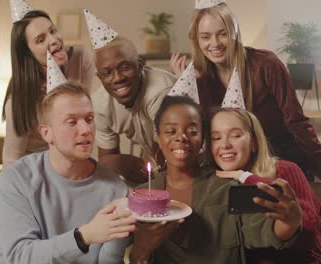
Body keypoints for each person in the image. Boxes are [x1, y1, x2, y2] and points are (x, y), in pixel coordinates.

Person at [170, 1, 321, 191]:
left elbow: (297, 121)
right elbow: (201, 130)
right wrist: (189, 86)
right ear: (196, 39)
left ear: (235, 33)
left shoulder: (265, 64)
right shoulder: (200, 77)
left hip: (279, 157)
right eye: (205, 37)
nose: (215, 43)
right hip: (234, 160)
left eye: (222, 34)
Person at [129, 96, 302, 263]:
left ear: (202, 140)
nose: (181, 137)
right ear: (158, 138)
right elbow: (133, 257)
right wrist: (141, 249)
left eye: (192, 131)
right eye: (170, 131)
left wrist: (289, 221)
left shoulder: (228, 187)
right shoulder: (141, 197)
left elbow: (263, 231)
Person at [0, 81, 136, 264]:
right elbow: (20, 256)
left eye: (89, 119)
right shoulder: (16, 178)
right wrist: (85, 235)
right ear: (46, 133)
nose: (85, 130)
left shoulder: (115, 190)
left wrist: (122, 232)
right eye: (72, 122)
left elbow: (107, 261)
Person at [210, 107, 321, 264]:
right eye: (216, 138)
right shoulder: (212, 185)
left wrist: (246, 177)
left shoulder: (284, 169)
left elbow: (307, 229)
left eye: (235, 135)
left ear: (254, 143)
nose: (225, 145)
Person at [2, 9, 95, 166]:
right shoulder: (17, 102)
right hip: (32, 170)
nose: (53, 40)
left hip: (69, 163)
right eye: (40, 40)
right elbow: (12, 158)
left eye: (53, 31)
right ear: (28, 55)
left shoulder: (80, 59)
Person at [92, 36, 176, 185]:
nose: (117, 78)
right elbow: (105, 160)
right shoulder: (100, 104)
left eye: (125, 67)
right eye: (107, 73)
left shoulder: (160, 91)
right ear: (99, 77)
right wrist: (123, 162)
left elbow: (169, 155)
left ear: (140, 64)